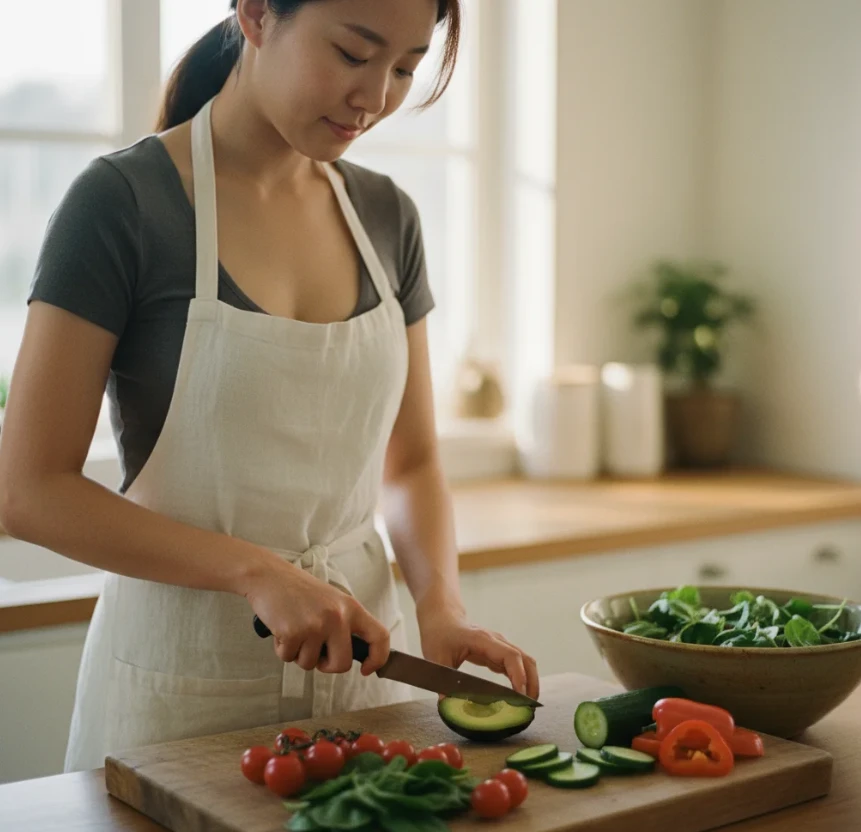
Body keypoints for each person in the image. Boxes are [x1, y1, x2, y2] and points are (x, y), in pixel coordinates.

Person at [0, 0, 539, 774]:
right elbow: (29, 490)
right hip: (174, 700)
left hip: (360, 685)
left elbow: (411, 461)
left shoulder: (387, 216)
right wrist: (257, 571)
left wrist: (440, 610)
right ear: (255, 14)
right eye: (353, 53)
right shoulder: (122, 205)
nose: (375, 96)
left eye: (404, 68)